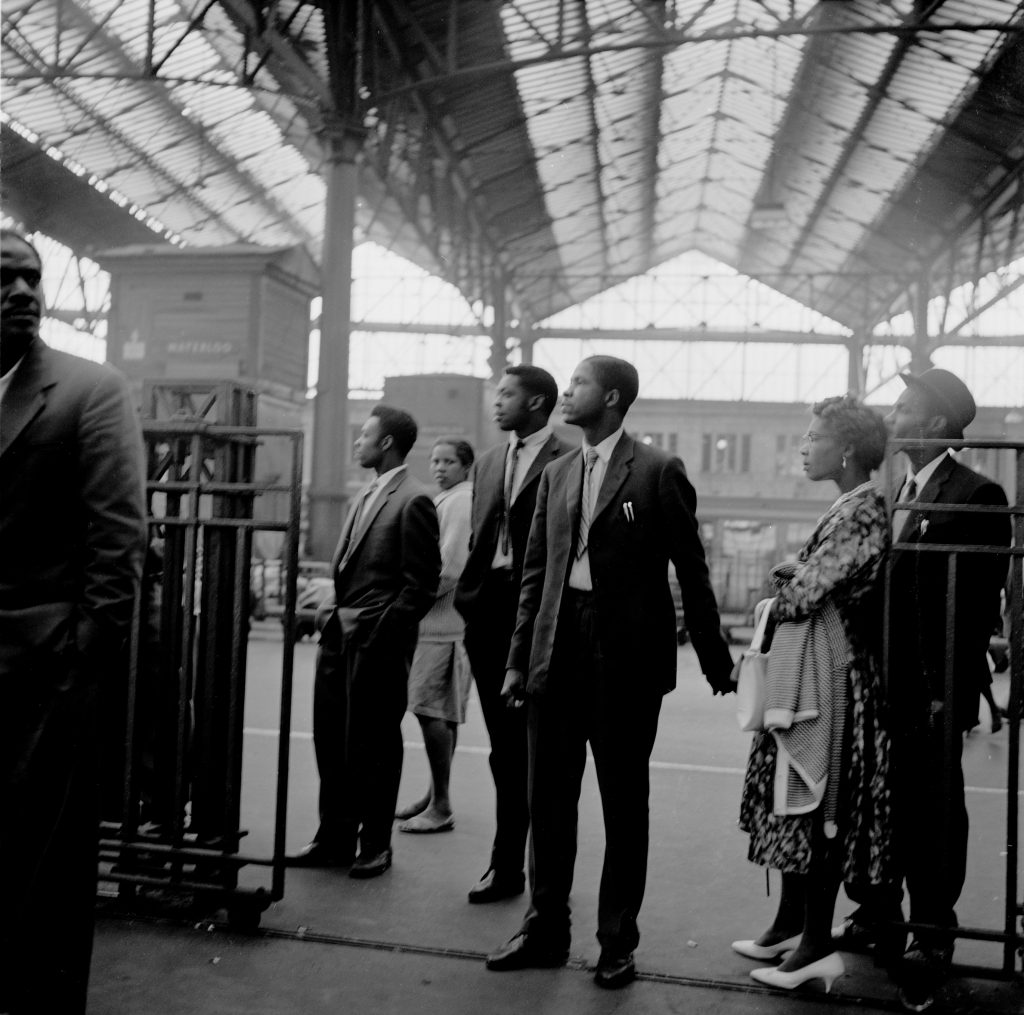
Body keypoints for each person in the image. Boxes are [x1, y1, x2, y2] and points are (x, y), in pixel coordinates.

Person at [485, 356, 734, 989]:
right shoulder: (560, 473)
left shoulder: (656, 471)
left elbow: (691, 567)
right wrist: (519, 660)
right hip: (556, 646)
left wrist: (714, 656)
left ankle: (617, 942)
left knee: (623, 802)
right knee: (549, 798)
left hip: (624, 658)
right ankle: (545, 929)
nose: (567, 393)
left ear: (614, 397)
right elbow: (534, 577)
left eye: (579, 385)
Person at [0, 229, 147, 1013]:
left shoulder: (90, 390)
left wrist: (77, 659)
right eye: (4, 279)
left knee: (44, 863)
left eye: (32, 279)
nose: (23, 292)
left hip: (43, 670)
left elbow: (119, 538)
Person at [834, 368, 1010, 1009]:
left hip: (932, 689)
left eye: (904, 405)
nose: (892, 412)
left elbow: (970, 609)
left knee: (934, 813)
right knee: (886, 805)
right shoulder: (901, 489)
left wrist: (948, 693)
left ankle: (933, 934)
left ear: (936, 424)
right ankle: (880, 914)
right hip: (888, 685)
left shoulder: (977, 495)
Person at [732, 395, 893, 995]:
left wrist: (790, 574)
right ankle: (793, 927)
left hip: (833, 686)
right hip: (820, 676)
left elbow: (805, 591)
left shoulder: (862, 508)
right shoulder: (852, 506)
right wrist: (795, 574)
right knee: (796, 798)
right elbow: (805, 580)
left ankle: (816, 946)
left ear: (846, 449)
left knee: (819, 804)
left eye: (812, 435)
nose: (803, 446)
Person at [291, 406, 440, 878]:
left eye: (365, 435)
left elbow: (420, 585)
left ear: (388, 443)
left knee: (373, 744)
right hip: (340, 636)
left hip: (375, 643)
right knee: (331, 740)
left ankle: (375, 844)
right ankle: (333, 837)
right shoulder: (365, 495)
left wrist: (381, 636)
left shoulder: (413, 499)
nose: (357, 442)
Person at [454, 365, 573, 903]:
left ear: (538, 402)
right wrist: (469, 601)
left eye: (506, 394)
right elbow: (482, 538)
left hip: (541, 617)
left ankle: (546, 873)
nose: (495, 402)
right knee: (504, 751)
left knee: (543, 754)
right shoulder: (485, 463)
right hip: (487, 614)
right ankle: (506, 868)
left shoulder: (570, 459)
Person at [396, 436, 475, 833]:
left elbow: (451, 566)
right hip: (437, 623)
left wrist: (413, 603)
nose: (440, 468)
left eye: (449, 462)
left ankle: (441, 805)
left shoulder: (461, 501)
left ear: (465, 467)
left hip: (441, 624)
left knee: (431, 711)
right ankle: (434, 795)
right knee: (439, 712)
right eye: (435, 460)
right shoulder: (446, 499)